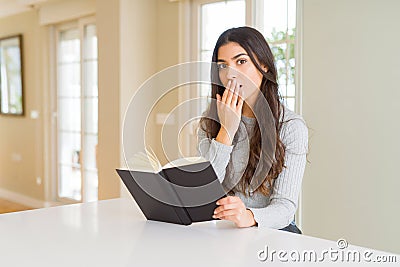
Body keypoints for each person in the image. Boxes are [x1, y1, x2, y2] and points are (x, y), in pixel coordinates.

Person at [197, 26, 308, 233]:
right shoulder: (210, 122)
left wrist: (248, 216)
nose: (231, 74)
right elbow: (203, 191)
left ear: (263, 65)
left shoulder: (291, 127)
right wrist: (226, 132)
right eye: (223, 66)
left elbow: (285, 207)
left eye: (241, 61)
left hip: (273, 233)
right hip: (223, 232)